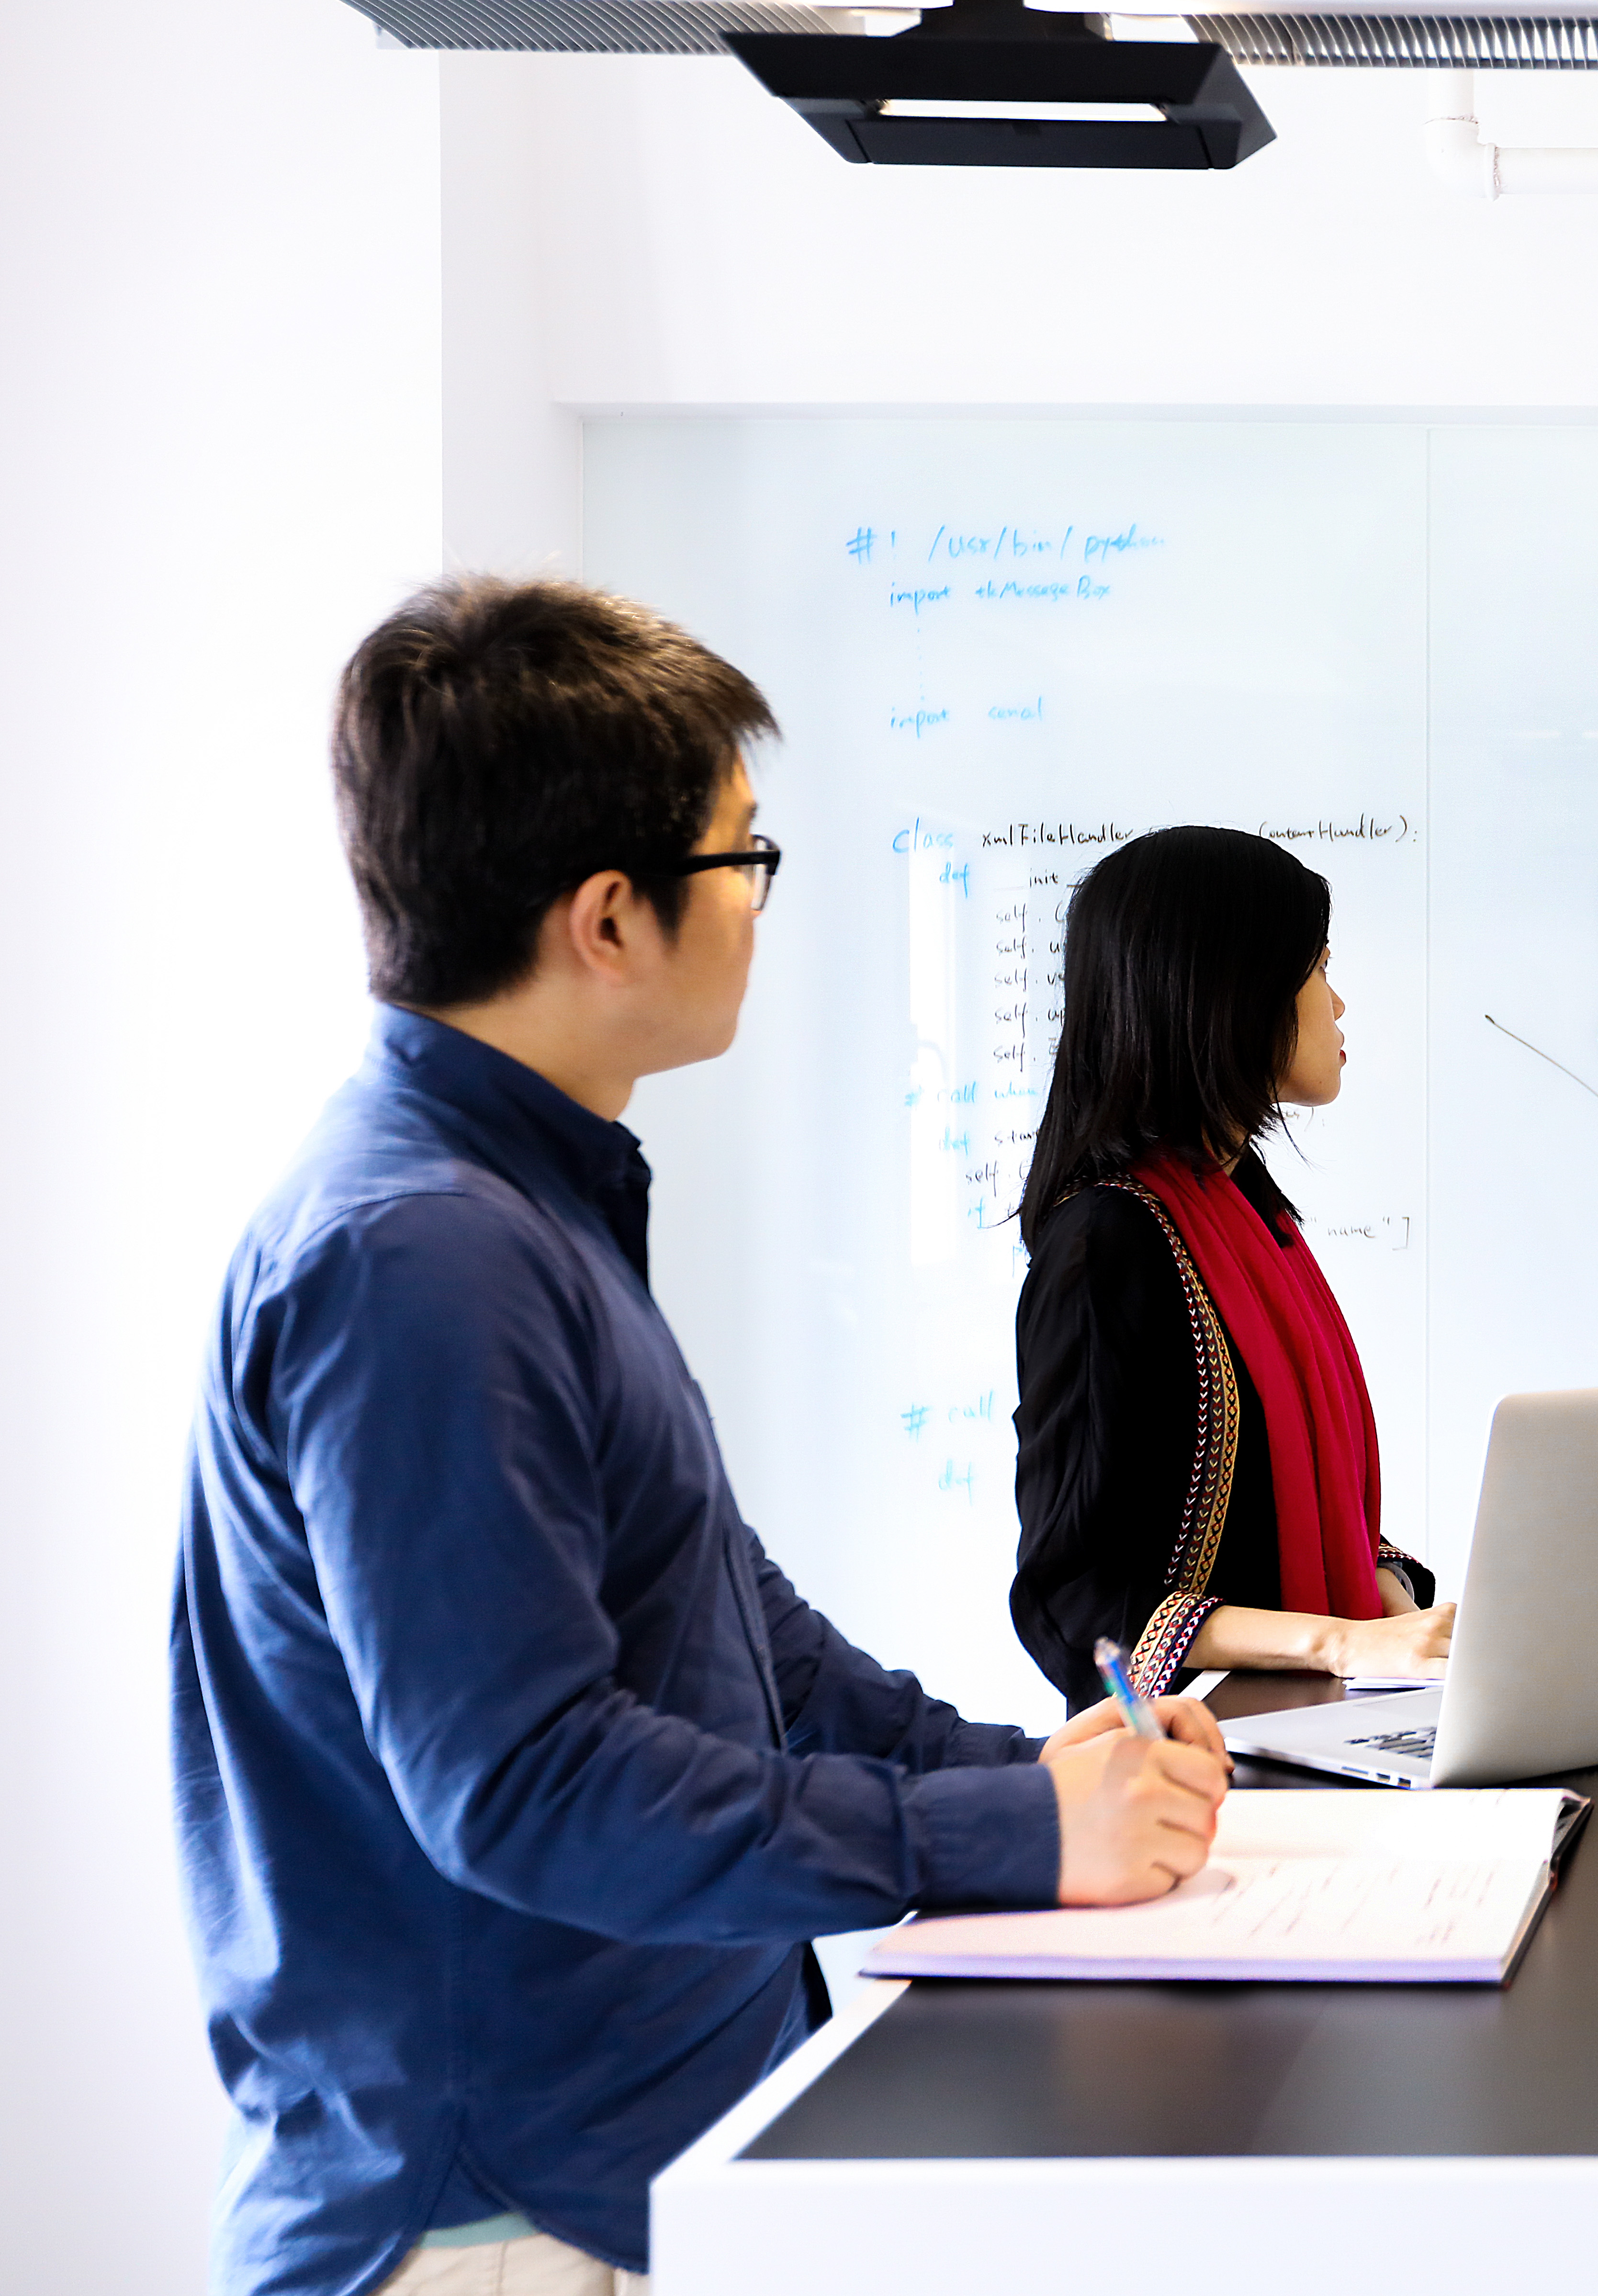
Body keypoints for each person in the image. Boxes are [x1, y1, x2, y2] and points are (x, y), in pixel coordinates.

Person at [174, 578, 1231, 2296]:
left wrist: (1030, 1779)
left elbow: (734, 1629)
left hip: (642, 2157)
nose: (759, 900)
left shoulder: (527, 1200)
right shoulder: (419, 1256)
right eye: (745, 857)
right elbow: (528, 1785)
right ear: (609, 917)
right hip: (504, 2213)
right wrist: (1010, 1838)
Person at [1009, 826, 1453, 1713]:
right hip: (1198, 1764)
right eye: (1318, 966)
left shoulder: (1247, 1207)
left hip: (1329, 1725)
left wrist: (1404, 1628)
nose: (1338, 1003)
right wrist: (1342, 1642)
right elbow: (1077, 1602)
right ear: (1232, 991)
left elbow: (1280, 1516)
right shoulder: (1107, 1245)